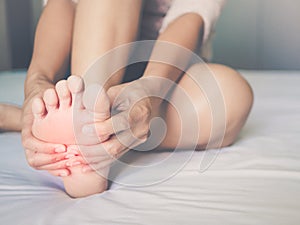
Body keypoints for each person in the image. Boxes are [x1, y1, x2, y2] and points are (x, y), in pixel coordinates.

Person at [0, 0, 253, 198]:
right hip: (89, 64)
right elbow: (61, 4)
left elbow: (192, 15)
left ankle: (94, 128)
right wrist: (37, 80)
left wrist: (149, 89)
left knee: (232, 95)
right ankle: (88, 127)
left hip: (162, 69)